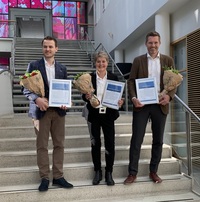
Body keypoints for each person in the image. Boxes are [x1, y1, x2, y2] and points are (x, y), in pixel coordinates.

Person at [124, 31, 177, 184]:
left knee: (158, 140)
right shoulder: (138, 60)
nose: (153, 45)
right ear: (146, 44)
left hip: (160, 105)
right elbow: (131, 81)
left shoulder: (168, 60)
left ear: (159, 43)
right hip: (142, 105)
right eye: (150, 43)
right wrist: (133, 98)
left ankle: (153, 171)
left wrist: (169, 96)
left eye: (155, 43)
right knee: (136, 139)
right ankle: (132, 173)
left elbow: (174, 82)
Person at [23, 36, 73, 192]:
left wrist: (66, 102)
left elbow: (66, 89)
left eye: (51, 47)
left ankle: (58, 176)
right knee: (42, 146)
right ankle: (44, 177)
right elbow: (24, 88)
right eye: (45, 46)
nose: (48, 49)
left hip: (58, 112)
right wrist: (36, 99)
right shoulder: (33, 65)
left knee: (59, 144)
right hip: (40, 112)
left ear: (56, 49)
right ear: (42, 48)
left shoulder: (62, 68)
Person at [82, 51, 124, 186]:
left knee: (110, 143)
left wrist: (120, 102)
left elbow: (118, 96)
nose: (101, 64)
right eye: (99, 61)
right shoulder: (89, 77)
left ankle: (109, 172)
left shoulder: (113, 77)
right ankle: (97, 171)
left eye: (104, 61)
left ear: (107, 63)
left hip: (108, 115)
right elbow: (84, 96)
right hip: (94, 115)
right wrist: (86, 97)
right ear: (95, 63)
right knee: (95, 144)